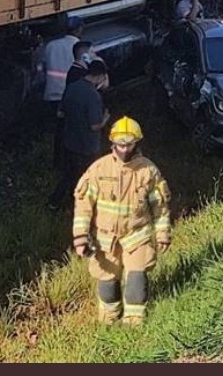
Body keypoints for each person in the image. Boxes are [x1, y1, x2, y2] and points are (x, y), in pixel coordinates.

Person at [72, 116, 171, 327]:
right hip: (105, 240)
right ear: (112, 143)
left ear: (137, 143)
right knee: (107, 284)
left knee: (137, 279)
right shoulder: (98, 170)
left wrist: (163, 233)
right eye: (120, 144)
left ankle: (134, 324)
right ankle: (108, 320)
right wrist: (80, 237)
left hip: (138, 236)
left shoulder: (148, 171)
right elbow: (83, 205)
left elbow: (159, 206)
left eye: (129, 144)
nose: (125, 149)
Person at [49, 60, 110, 211]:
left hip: (69, 141)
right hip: (88, 146)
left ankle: (54, 202)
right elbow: (94, 125)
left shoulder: (72, 87)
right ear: (100, 76)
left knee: (69, 174)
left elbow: (60, 112)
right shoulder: (93, 95)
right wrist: (105, 119)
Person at [41, 16, 84, 169]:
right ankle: (69, 164)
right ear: (79, 29)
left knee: (59, 131)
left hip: (53, 94)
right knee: (73, 131)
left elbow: (43, 66)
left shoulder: (51, 45)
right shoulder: (81, 48)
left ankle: (57, 163)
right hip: (71, 96)